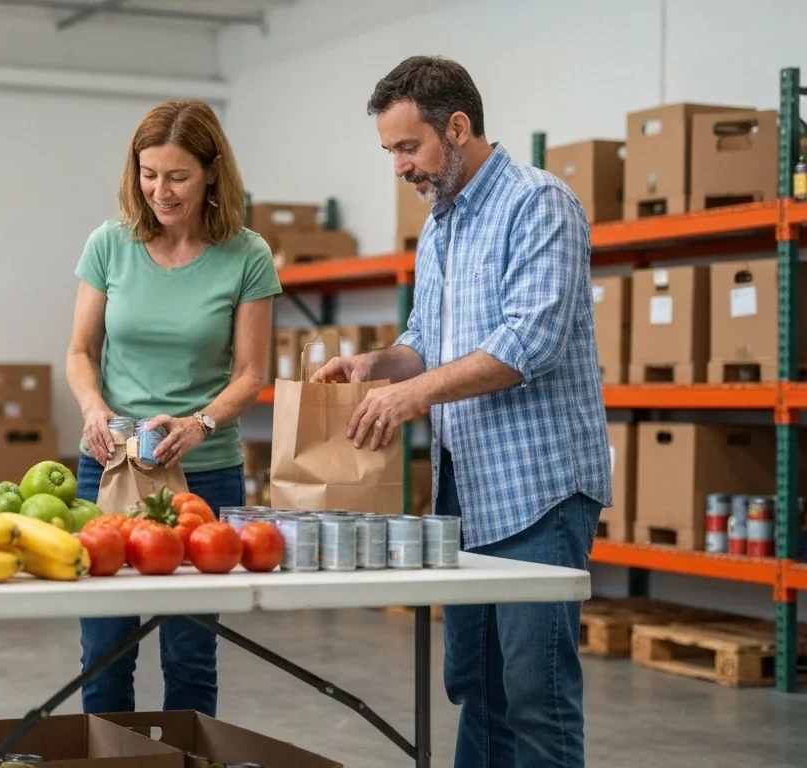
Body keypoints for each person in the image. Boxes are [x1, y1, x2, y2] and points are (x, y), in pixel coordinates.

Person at [311, 56, 610, 767]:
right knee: (475, 688)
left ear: (458, 127)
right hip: (465, 495)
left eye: (407, 147)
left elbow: (525, 342)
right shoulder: (440, 228)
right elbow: (428, 340)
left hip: (537, 492)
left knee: (535, 696)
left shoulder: (540, 204)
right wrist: (376, 366)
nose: (398, 168)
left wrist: (412, 395)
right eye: (389, 152)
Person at [65, 100, 281, 716]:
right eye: (148, 173)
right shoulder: (110, 244)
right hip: (108, 465)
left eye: (177, 176)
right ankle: (110, 762)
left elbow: (250, 375)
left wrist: (201, 421)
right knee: (104, 649)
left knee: (191, 651)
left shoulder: (247, 254)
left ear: (213, 172)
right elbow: (80, 350)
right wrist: (92, 409)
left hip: (204, 470)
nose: (160, 190)